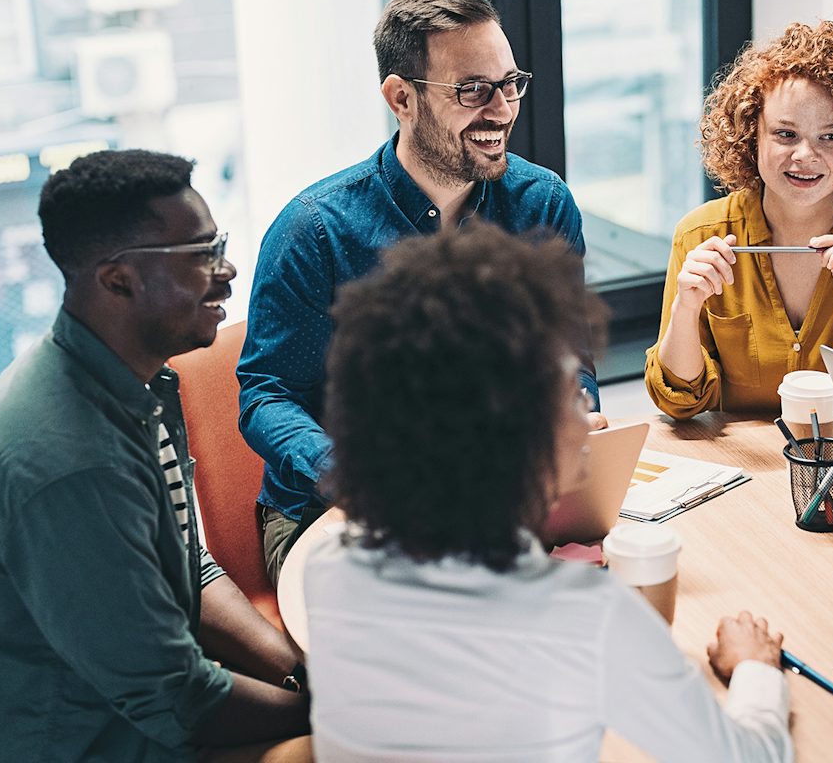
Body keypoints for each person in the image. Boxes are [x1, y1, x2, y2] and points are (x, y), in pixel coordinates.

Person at [304, 223, 793, 762]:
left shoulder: (328, 567)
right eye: (566, 389)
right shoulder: (586, 617)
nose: (587, 412)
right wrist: (754, 669)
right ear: (509, 429)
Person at [0, 150, 308, 763]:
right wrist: (334, 710)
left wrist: (297, 670)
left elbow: (186, 567)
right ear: (117, 279)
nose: (228, 270)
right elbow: (178, 700)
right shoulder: (73, 463)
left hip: (125, 704)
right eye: (201, 255)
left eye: (220, 244)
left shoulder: (130, 378)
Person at [239, 0, 599, 584]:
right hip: (332, 511)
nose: (503, 109)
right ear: (401, 98)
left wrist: (574, 411)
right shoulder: (316, 230)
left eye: (510, 84)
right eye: (472, 90)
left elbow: (571, 360)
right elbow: (266, 394)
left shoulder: (541, 204)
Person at [646, 20, 833, 418]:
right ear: (752, 135)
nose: (805, 155)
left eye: (831, 136)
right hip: (742, 467)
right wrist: (686, 307)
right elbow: (679, 400)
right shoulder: (700, 235)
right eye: (785, 135)